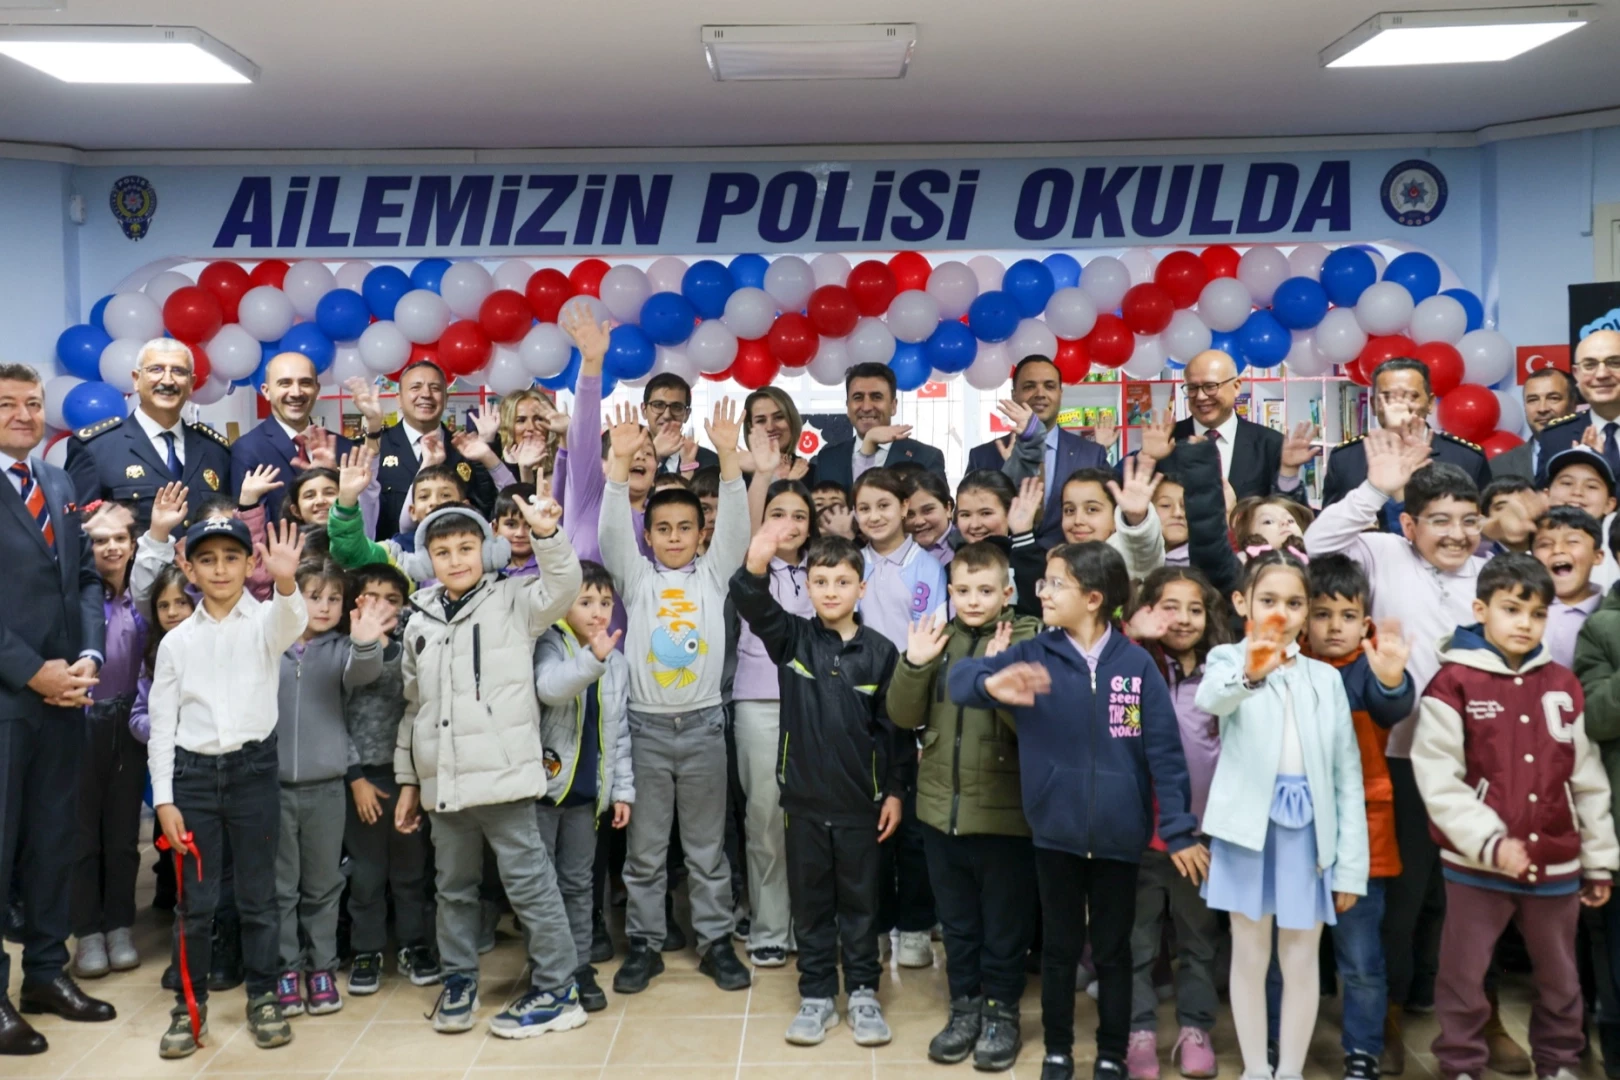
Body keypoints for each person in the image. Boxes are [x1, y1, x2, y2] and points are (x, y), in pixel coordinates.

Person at [950, 541, 1200, 1080]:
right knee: (1060, 952)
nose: (1042, 592)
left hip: (1119, 838)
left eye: (1055, 583)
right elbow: (959, 682)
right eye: (1043, 582)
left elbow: (1164, 754)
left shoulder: (1136, 665)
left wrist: (1179, 830)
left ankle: (1111, 1053)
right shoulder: (1034, 654)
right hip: (1054, 835)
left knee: (1113, 951)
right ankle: (1058, 1050)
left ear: (1093, 598)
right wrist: (990, 681)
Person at [1303, 429, 1490, 1066]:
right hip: (1400, 756)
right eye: (1439, 521)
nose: (1456, 534)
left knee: (1463, 895)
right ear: (1409, 525)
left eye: (1469, 521)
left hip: (1475, 765)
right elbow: (1318, 543)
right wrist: (1374, 489)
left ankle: (1465, 1009)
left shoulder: (1489, 575)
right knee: (1402, 896)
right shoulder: (1383, 553)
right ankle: (1382, 1015)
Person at [1414, 554, 1618, 1080]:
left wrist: (1598, 859)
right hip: (1475, 867)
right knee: (1463, 975)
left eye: (1537, 613)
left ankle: (1559, 1063)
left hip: (1556, 863)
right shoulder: (1452, 683)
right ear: (1481, 610)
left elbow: (1587, 778)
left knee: (1560, 978)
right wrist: (1488, 839)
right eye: (1511, 609)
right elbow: (1438, 779)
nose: (1525, 623)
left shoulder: (1563, 684)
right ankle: (1461, 1063)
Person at [392, 497, 588, 1040]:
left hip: (504, 779)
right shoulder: (419, 620)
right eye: (442, 552)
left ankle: (559, 989)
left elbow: (565, 586)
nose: (456, 560)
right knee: (453, 888)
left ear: (490, 551)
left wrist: (547, 535)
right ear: (427, 560)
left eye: (466, 548)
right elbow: (413, 708)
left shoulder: (516, 598)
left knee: (530, 886)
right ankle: (459, 979)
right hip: (444, 783)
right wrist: (408, 781)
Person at [598, 398, 753, 994]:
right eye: (662, 529)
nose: (674, 537)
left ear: (700, 533)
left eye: (685, 528)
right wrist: (619, 466)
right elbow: (612, 534)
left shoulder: (713, 576)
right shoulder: (636, 579)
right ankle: (645, 943)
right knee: (644, 850)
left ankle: (715, 943)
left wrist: (731, 462)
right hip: (646, 730)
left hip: (706, 727)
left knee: (707, 847)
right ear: (648, 535)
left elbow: (736, 530)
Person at [729, 526, 905, 1048]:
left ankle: (865, 993)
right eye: (821, 581)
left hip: (860, 806)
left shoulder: (881, 653)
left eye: (842, 581)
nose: (831, 591)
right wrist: (757, 561)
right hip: (803, 803)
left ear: (861, 588)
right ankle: (817, 995)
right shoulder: (793, 639)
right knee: (810, 905)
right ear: (807, 587)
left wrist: (895, 791)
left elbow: (894, 732)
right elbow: (753, 604)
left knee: (861, 904)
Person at [1196, 548, 1368, 1080]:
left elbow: (1346, 774)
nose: (1282, 612)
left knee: (1300, 956)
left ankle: (1289, 1069)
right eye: (1268, 599)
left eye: (1295, 603)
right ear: (1242, 603)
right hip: (1245, 829)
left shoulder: (1325, 678)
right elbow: (1211, 701)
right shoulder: (1227, 660)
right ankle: (1255, 1068)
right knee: (1249, 954)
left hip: (1308, 833)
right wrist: (1251, 675)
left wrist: (1350, 866)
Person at [149, 516, 308, 1058]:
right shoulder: (176, 642)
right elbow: (162, 727)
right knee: (195, 905)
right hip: (192, 781)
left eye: (232, 557)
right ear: (189, 568)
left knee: (258, 898)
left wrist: (285, 580)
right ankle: (187, 1006)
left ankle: (263, 997)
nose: (220, 569)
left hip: (252, 775)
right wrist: (164, 799)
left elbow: (292, 620)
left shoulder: (266, 621)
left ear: (249, 563)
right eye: (208, 559)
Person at [887, 541, 1044, 1072]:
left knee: (1004, 925)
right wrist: (914, 663)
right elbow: (903, 715)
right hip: (939, 811)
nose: (973, 601)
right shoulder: (938, 636)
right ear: (950, 592)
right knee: (957, 924)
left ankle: (1001, 1013)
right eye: (963, 591)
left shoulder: (1028, 639)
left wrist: (997, 680)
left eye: (985, 591)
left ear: (1007, 592)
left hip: (1003, 815)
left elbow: (1035, 727)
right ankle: (964, 1008)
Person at [0, 363, 114, 1056]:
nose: (23, 414)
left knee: (52, 843)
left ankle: (46, 973)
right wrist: (30, 671)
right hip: (8, 700)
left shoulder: (59, 481)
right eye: (7, 404)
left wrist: (89, 656)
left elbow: (85, 579)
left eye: (33, 403)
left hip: (67, 697)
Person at [1286, 554, 1416, 1080]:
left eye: (1347, 616)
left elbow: (1391, 706)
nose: (1334, 627)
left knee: (1361, 958)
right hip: (1296, 830)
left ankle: (1362, 1050)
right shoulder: (1287, 664)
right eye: (1321, 614)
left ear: (1365, 623)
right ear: (1304, 620)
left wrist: (1392, 680)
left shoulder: (1371, 668)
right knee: (1287, 951)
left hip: (1364, 832)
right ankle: (1277, 1044)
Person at [1118, 566, 1233, 1080]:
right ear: (1146, 610)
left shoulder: (1222, 672)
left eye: (1195, 608)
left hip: (1201, 836)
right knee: (1136, 941)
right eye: (1170, 606)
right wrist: (1132, 639)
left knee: (1198, 939)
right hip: (1140, 833)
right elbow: (1120, 727)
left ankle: (1195, 1027)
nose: (1183, 619)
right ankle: (1138, 1030)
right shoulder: (1134, 665)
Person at [271, 559, 388, 1020]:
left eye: (333, 598)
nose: (323, 606)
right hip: (274, 788)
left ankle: (321, 968)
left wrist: (365, 641)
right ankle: (286, 969)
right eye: (313, 596)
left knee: (322, 885)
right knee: (281, 888)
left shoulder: (342, 650)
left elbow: (365, 671)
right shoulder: (271, 644)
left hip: (326, 790)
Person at [533, 560, 634, 1014]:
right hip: (543, 792)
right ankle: (547, 969)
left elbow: (620, 732)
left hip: (587, 798)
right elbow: (550, 688)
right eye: (586, 601)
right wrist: (591, 659)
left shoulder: (617, 661)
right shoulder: (548, 644)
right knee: (541, 886)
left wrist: (622, 790)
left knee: (579, 885)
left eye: (605, 603)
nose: (598, 612)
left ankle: (577, 967)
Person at [732, 457, 818, 968]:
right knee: (764, 817)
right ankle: (768, 926)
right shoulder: (749, 565)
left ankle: (808, 924)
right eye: (777, 514)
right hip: (758, 701)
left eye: (799, 516)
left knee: (810, 820)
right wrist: (761, 475)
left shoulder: (827, 567)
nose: (789, 524)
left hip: (814, 704)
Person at [339, 563, 438, 994]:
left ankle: (414, 944)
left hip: (406, 777)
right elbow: (333, 720)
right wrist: (355, 777)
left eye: (392, 600)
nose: (381, 607)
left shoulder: (409, 648)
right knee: (366, 872)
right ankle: (367, 949)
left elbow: (413, 700)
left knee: (411, 869)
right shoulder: (340, 651)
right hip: (359, 779)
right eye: (371, 598)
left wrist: (382, 642)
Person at [71, 502, 147, 981]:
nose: (111, 547)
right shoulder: (74, 599)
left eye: (120, 538)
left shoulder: (145, 593)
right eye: (100, 540)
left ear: (134, 544)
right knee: (82, 835)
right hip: (80, 723)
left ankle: (119, 925)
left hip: (131, 723)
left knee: (122, 834)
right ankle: (86, 932)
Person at [66, 337, 232, 526]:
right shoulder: (96, 449)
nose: (167, 381)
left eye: (178, 371)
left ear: (191, 383)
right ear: (136, 380)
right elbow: (76, 531)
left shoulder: (216, 452)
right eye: (156, 369)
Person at [1322, 358, 1492, 524]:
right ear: (1373, 405)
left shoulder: (1467, 458)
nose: (1400, 406)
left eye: (1411, 397)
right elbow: (1329, 526)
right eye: (1388, 397)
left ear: (1430, 403)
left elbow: (1483, 526)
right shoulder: (1344, 458)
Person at [968, 356, 1110, 547]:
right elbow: (970, 520)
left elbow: (1111, 517)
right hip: (1004, 560)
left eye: (1049, 386)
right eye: (1029, 387)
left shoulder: (1091, 455)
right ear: (1014, 394)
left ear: (1060, 393)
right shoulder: (983, 456)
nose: (1040, 394)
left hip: (1072, 560)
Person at [229, 355, 375, 519]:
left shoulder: (343, 447)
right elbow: (248, 522)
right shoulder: (248, 449)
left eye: (305, 383)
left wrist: (334, 479)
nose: (296, 393)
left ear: (317, 389)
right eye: (285, 383)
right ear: (266, 391)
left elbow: (366, 516)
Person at [1162, 351, 1315, 501]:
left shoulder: (1270, 444)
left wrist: (1289, 474)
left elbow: (1291, 512)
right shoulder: (1166, 441)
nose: (1201, 396)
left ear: (1236, 387)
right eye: (1192, 388)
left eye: (1210, 386)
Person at [373, 360, 496, 537]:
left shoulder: (466, 449)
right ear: (399, 399)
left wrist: (488, 446)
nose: (426, 394)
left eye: (435, 388)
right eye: (416, 387)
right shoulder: (378, 448)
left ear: (446, 399)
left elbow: (486, 511)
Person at [810, 363, 946, 491]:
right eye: (858, 397)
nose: (866, 407)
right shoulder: (827, 460)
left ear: (893, 406)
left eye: (876, 397)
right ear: (848, 407)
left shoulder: (926, 457)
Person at [1057, 461, 1166, 583]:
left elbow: (1140, 550)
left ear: (1116, 514)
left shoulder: (1127, 555)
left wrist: (1137, 519)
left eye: (1092, 509)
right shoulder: (1059, 559)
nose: (1078, 520)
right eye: (1069, 510)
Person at [1535, 330, 1620, 485]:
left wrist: (1603, 468)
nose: (1601, 374)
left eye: (1614, 363)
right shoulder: (1556, 437)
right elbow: (1545, 497)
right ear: (1576, 374)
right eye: (1590, 365)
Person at [1532, 506, 1606, 668]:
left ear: (1597, 556)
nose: (1557, 550)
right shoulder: (1520, 609)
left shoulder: (1610, 613)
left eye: (1572, 542)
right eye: (1545, 544)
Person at [1491, 367, 1575, 482]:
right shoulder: (1500, 466)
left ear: (1573, 404)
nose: (1542, 409)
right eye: (1533, 400)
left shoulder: (1592, 454)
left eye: (1553, 398)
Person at [643, 371, 720, 477]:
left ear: (687, 414)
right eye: (658, 405)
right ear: (644, 410)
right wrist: (654, 456)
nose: (667, 415)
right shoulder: (628, 460)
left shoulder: (710, 462)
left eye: (676, 407)